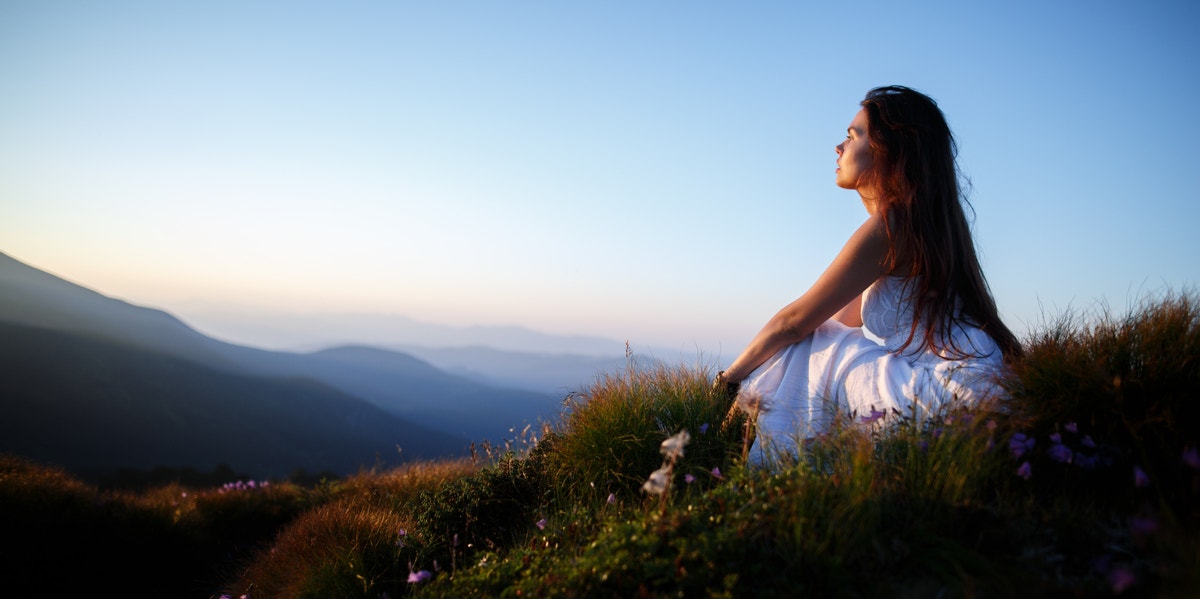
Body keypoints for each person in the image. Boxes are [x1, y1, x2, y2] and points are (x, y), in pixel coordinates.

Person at [715, 85, 1022, 466]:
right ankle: (736, 439)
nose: (838, 148)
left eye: (851, 136)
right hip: (976, 388)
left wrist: (728, 381)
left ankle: (733, 446)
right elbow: (832, 324)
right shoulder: (923, 223)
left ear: (886, 151)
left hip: (948, 395)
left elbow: (794, 323)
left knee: (805, 342)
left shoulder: (892, 225)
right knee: (817, 340)